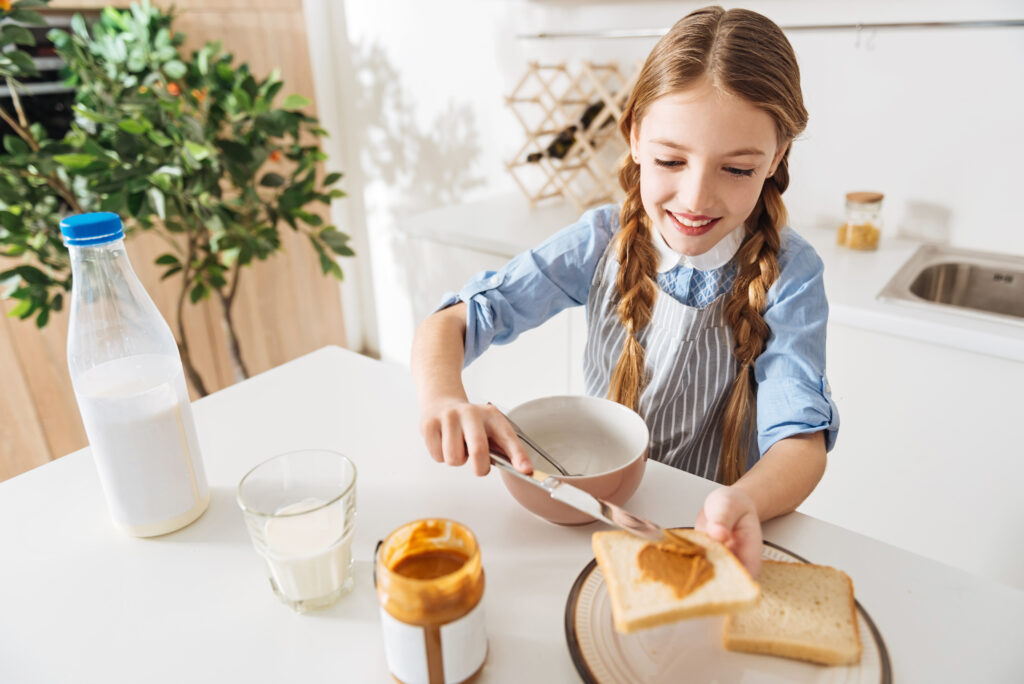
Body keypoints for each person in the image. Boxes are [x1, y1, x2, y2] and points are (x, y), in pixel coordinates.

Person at [410, 5, 838, 577]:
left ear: (777, 158)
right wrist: (443, 398)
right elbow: (452, 322)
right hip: (597, 519)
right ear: (634, 136)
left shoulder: (792, 273)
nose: (695, 198)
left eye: (736, 170)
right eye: (670, 160)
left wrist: (742, 503)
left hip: (710, 531)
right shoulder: (599, 241)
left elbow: (800, 446)